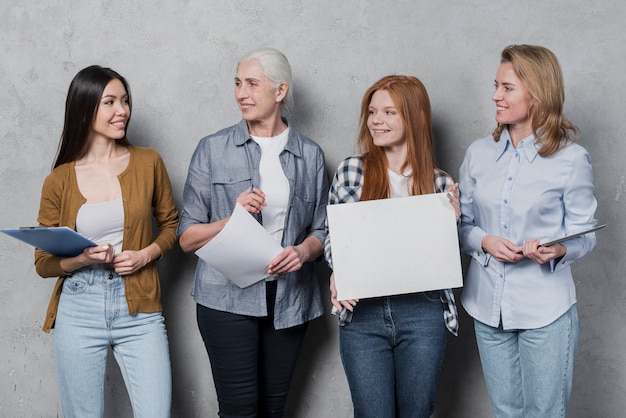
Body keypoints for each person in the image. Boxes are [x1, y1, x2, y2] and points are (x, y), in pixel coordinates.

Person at [178, 47, 328, 418]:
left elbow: (323, 229)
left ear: (280, 91)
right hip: (225, 300)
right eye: (237, 83)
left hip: (289, 299)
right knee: (239, 410)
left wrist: (304, 252)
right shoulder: (211, 149)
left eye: (251, 83)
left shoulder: (310, 155)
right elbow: (186, 238)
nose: (241, 93)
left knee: (274, 410)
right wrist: (231, 219)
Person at [458, 44, 598, 418]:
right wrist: (483, 241)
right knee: (506, 413)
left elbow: (586, 233)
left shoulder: (571, 159)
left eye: (507, 88)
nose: (495, 96)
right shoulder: (478, 154)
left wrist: (559, 251)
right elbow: (461, 224)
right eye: (496, 86)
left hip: (545, 309)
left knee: (545, 414)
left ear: (536, 95)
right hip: (488, 307)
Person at [34, 66, 179, 417]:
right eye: (110, 102)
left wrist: (145, 255)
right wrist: (84, 258)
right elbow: (43, 263)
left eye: (125, 101)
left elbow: (172, 225)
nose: (123, 111)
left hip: (140, 306)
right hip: (79, 307)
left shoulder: (149, 162)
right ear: (84, 110)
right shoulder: (59, 180)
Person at [324, 75, 460, 418]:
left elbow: (439, 256)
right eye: (372, 112)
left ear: (415, 118)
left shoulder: (440, 183)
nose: (376, 121)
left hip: (423, 312)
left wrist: (452, 221)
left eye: (388, 112)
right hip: (363, 314)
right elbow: (333, 238)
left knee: (418, 412)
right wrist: (339, 270)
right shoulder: (351, 171)